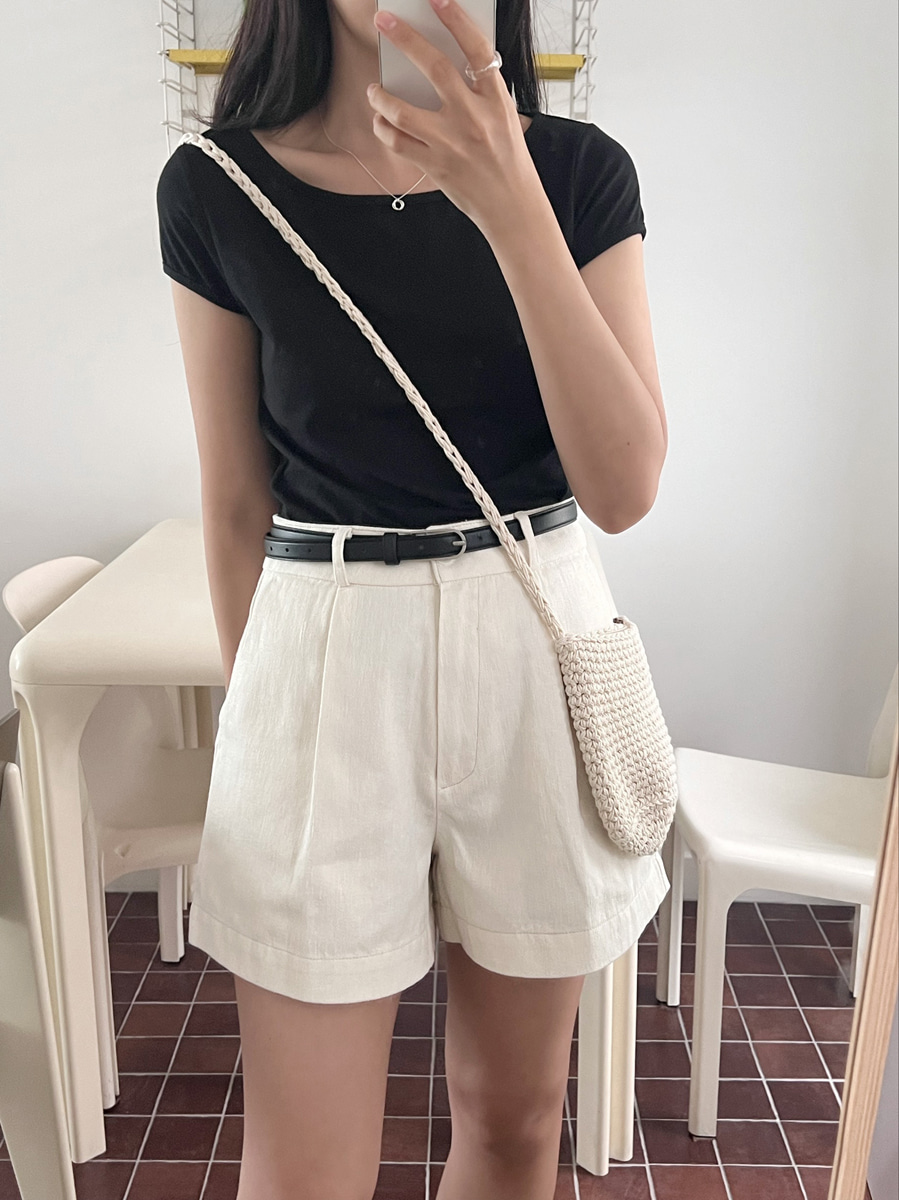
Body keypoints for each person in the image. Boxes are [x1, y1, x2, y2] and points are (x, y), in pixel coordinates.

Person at [156, 0, 671, 1193]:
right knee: (306, 1169)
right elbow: (234, 504)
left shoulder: (577, 173)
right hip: (321, 647)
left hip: (535, 636)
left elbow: (623, 486)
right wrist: (262, 727)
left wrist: (509, 203)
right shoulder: (215, 187)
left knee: (514, 1123)